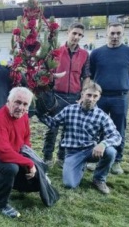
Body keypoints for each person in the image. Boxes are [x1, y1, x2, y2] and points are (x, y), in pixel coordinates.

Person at [38, 81, 121, 194]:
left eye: (95, 96)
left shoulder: (102, 116)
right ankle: (80, 165)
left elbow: (116, 135)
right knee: (69, 184)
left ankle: (99, 179)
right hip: (73, 153)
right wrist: (39, 113)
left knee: (110, 152)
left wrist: (103, 144)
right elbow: (53, 123)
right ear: (82, 94)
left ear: (99, 97)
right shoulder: (69, 110)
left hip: (91, 150)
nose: (91, 99)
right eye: (88, 95)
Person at [0, 87, 36, 218]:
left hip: (10, 155)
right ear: (8, 101)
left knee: (35, 179)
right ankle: (0, 204)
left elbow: (26, 139)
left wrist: (28, 157)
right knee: (10, 168)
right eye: (18, 102)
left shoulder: (24, 116)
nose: (21, 107)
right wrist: (28, 162)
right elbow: (3, 152)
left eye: (25, 104)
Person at [89, 22, 129, 174]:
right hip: (100, 97)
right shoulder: (97, 53)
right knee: (97, 128)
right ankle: (95, 159)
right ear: (107, 34)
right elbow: (91, 73)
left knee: (119, 130)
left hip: (120, 98)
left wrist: (124, 85)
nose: (115, 36)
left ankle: (117, 160)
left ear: (123, 34)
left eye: (118, 33)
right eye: (112, 33)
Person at [41, 22, 90, 168]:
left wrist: (83, 94)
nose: (76, 37)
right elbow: (45, 71)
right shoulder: (56, 51)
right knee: (52, 128)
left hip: (74, 96)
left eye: (80, 35)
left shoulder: (85, 55)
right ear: (68, 32)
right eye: (74, 33)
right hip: (56, 96)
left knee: (68, 129)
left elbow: (86, 75)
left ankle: (61, 157)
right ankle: (47, 157)